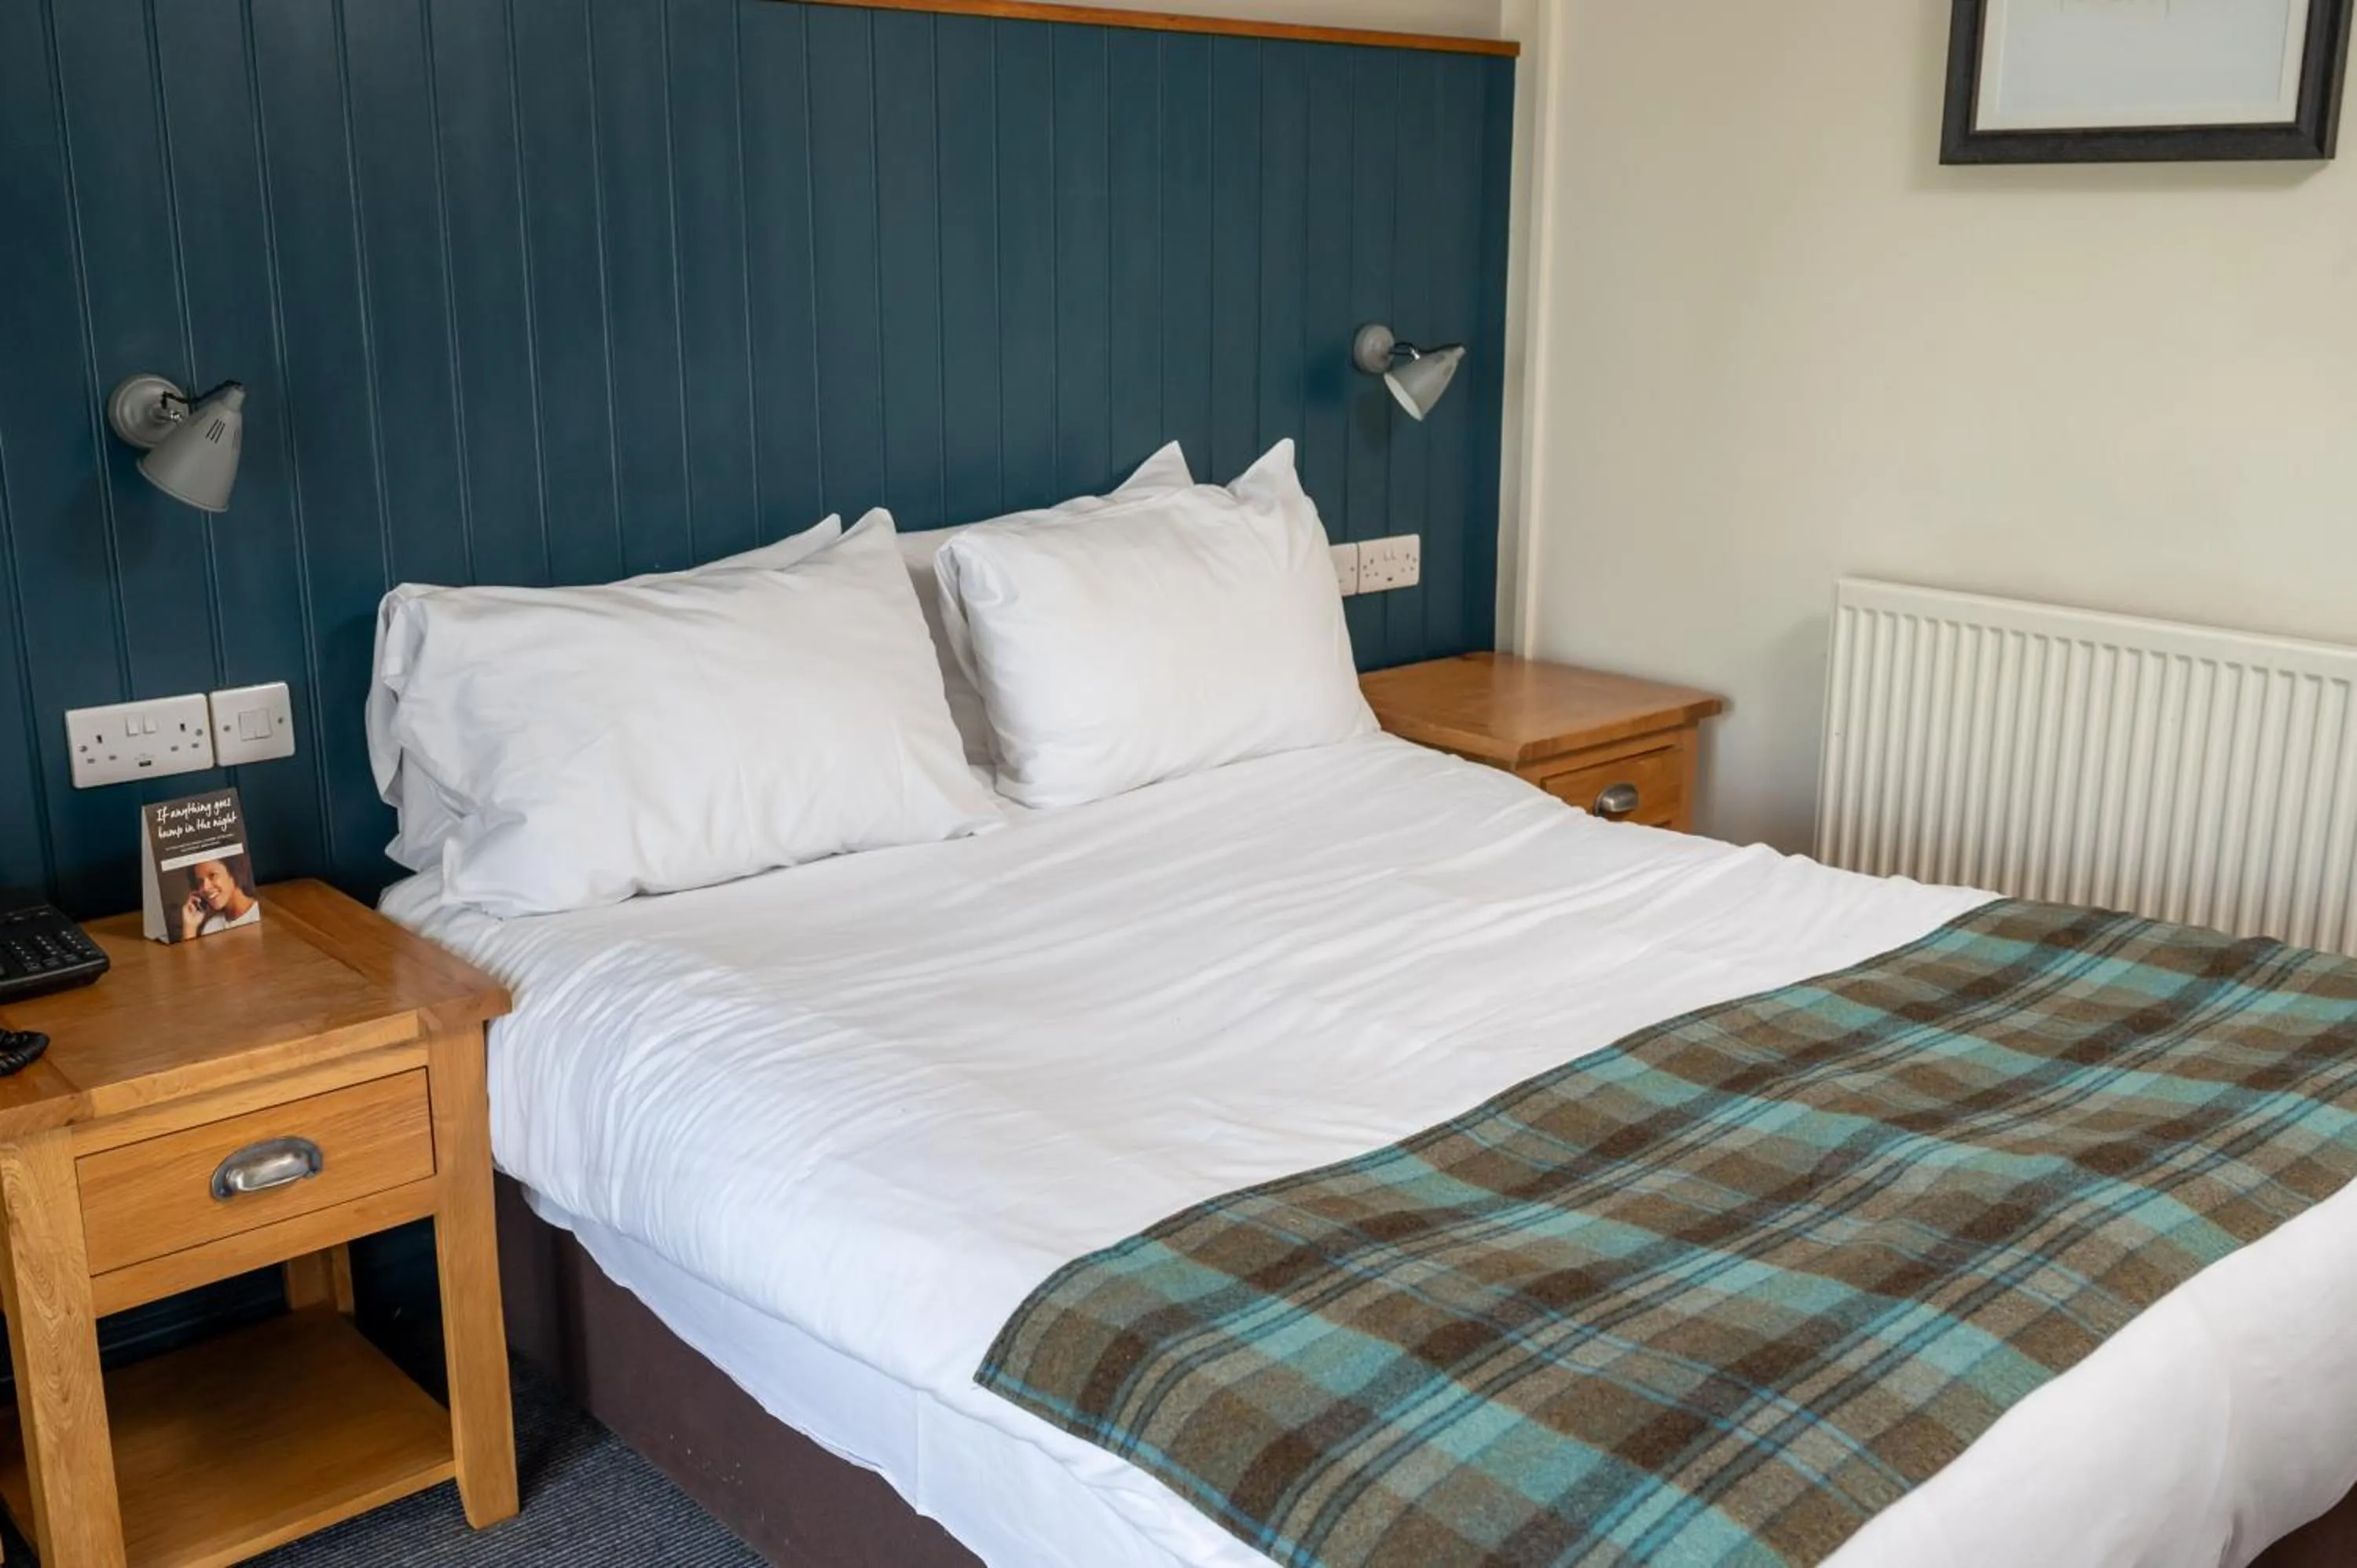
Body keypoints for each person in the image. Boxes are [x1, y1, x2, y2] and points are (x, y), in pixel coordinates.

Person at [178, 856, 261, 940]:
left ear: (234, 872)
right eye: (200, 881)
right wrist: (190, 927)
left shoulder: (260, 913)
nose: (205, 888)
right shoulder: (212, 926)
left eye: (212, 875)